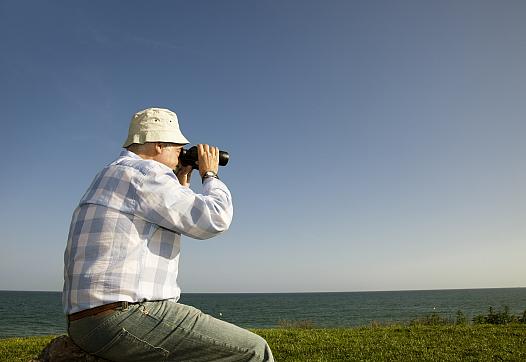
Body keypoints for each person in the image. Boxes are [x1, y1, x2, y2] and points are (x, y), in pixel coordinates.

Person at [63, 107, 274, 361]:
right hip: (123, 316)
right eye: (177, 147)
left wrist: (181, 179)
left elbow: (173, 219)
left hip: (86, 322)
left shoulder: (113, 173)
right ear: (159, 145)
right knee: (254, 350)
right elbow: (215, 218)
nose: (180, 154)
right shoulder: (146, 173)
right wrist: (210, 174)